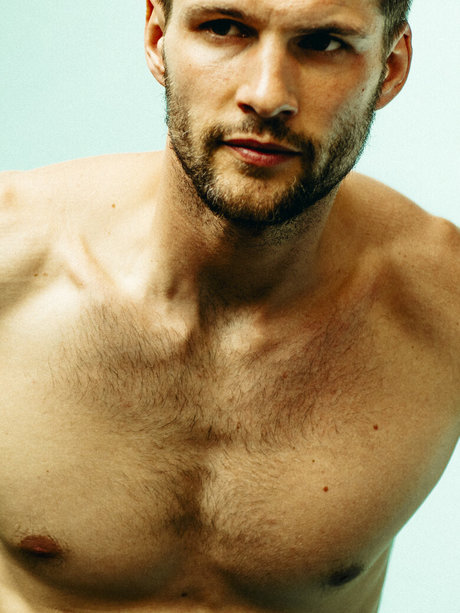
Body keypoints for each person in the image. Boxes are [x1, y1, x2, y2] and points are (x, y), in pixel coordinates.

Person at [0, 0, 458, 611]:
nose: (267, 96)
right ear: (157, 37)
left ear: (391, 67)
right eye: (224, 28)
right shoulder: (12, 261)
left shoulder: (445, 303)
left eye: (323, 43)